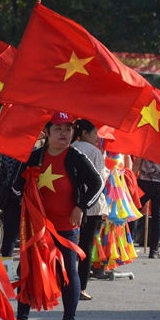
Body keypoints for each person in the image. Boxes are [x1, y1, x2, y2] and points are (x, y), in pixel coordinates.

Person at [13, 112, 103, 320]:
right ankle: (22, 317)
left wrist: (81, 207)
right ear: (47, 132)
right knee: (29, 269)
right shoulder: (35, 156)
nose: (64, 133)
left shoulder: (75, 157)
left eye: (68, 129)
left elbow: (97, 183)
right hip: (38, 227)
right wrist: (28, 203)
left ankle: (68, 319)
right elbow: (16, 186)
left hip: (66, 226)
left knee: (68, 271)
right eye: (58, 129)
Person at [71, 119, 108, 301]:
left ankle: (63, 283)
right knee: (86, 246)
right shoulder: (94, 152)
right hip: (92, 205)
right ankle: (80, 288)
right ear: (84, 133)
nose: (98, 137)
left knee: (67, 245)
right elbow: (100, 179)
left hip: (69, 204)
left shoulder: (68, 148)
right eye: (95, 133)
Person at [132, 158, 160, 259]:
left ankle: (129, 243)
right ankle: (154, 250)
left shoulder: (146, 145)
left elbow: (137, 163)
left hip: (144, 182)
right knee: (158, 216)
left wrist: (131, 180)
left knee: (135, 212)